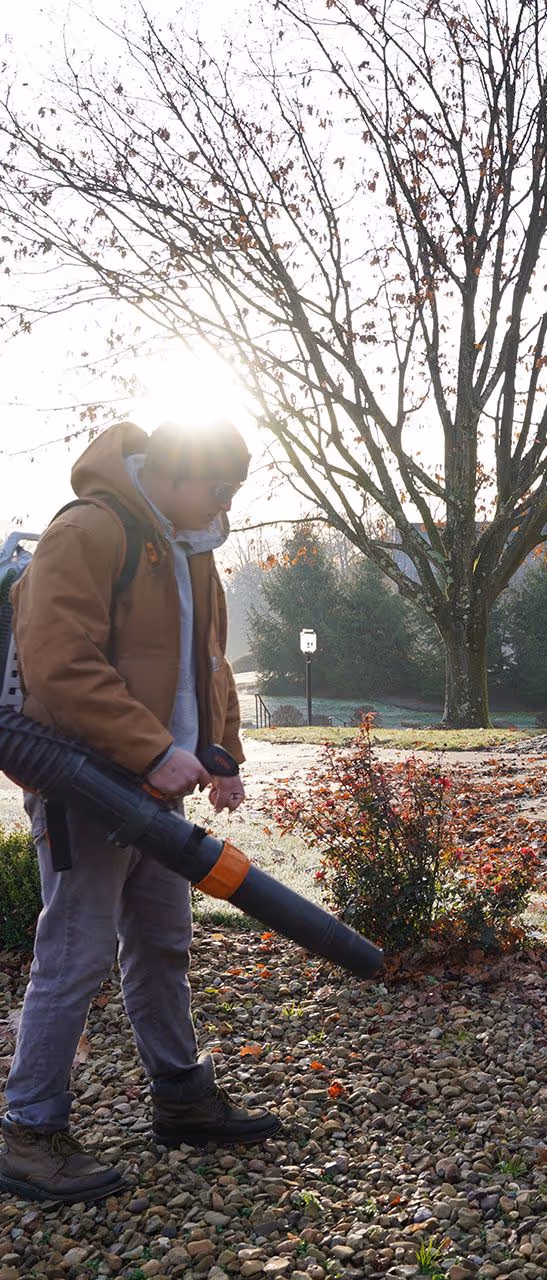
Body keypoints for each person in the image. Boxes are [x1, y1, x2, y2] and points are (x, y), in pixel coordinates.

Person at [0, 419, 280, 1206]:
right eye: (218, 488)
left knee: (162, 943)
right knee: (75, 953)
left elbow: (207, 662)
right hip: (85, 783)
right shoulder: (89, 531)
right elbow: (60, 663)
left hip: (160, 793)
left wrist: (219, 749)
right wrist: (151, 749)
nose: (225, 506)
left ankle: (182, 1099)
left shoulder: (192, 549)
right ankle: (29, 1132)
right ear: (174, 469)